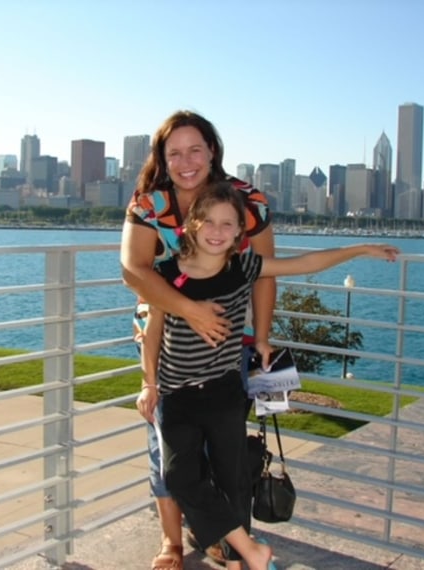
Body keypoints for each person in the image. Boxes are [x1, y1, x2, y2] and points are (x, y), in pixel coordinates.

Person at [139, 181, 400, 570]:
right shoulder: (166, 272)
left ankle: (238, 558)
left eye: (228, 224)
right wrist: (149, 383)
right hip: (177, 394)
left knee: (232, 479)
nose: (217, 231)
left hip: (224, 392)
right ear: (192, 224)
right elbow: (153, 333)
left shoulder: (245, 267)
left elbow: (306, 263)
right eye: (209, 221)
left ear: (239, 234)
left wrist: (360, 249)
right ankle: (250, 550)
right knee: (179, 477)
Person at [120, 110, 276, 569]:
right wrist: (189, 310)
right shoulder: (150, 204)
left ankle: (226, 543)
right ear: (162, 159)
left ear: (212, 151)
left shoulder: (246, 200)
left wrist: (262, 337)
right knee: (166, 447)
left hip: (229, 342)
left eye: (195, 149)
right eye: (174, 153)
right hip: (164, 339)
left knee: (224, 451)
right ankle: (172, 542)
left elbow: (265, 275)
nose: (186, 161)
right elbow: (133, 270)